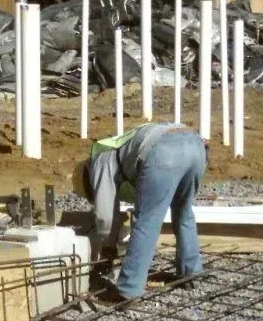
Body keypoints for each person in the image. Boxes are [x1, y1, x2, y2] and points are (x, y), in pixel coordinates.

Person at [81, 122, 208, 301]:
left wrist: (106, 247)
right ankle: (191, 272)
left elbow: (104, 217)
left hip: (164, 152)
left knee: (146, 221)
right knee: (183, 212)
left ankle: (128, 289)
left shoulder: (98, 161)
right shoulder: (113, 146)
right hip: (195, 144)